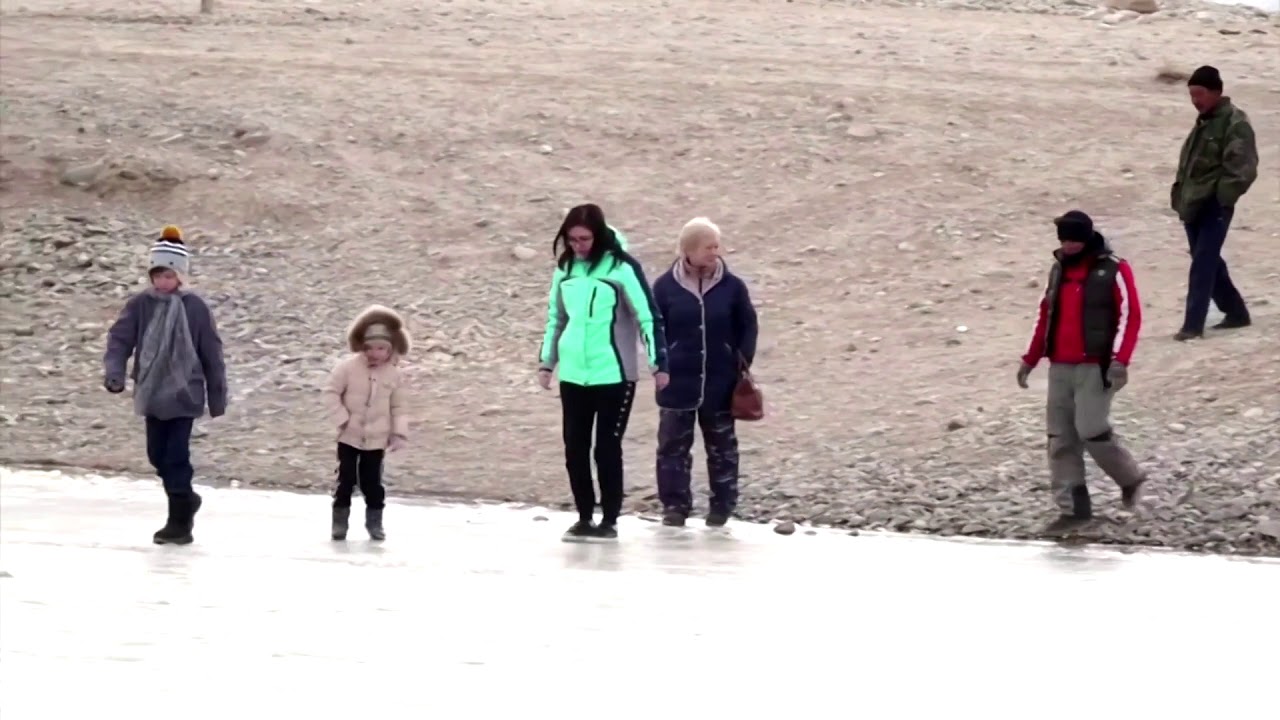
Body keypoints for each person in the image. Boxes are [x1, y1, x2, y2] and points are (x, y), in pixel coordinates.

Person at [537, 204, 668, 541]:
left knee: (606, 448)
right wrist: (546, 361)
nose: (578, 245)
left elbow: (647, 316)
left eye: (584, 238)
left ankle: (609, 520)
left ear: (598, 235)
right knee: (574, 447)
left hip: (614, 373)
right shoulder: (565, 269)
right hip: (574, 374)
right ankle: (583, 516)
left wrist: (658, 363)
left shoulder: (622, 268)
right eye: (572, 239)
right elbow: (557, 318)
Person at [1018, 211, 1148, 534]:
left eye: (1074, 239)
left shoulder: (1114, 268)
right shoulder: (1058, 269)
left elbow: (1130, 315)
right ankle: (1073, 511)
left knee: (1091, 429)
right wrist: (1031, 358)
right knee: (1060, 437)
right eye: (1064, 240)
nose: (1069, 245)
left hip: (1096, 365)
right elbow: (1045, 315)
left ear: (1087, 237)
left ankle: (1130, 477)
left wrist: (1120, 360)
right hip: (1059, 365)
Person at [103, 225, 228, 545]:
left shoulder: (195, 308)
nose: (162, 281)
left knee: (175, 456)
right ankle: (186, 498)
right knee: (156, 455)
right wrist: (115, 372)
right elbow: (120, 339)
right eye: (157, 274)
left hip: (185, 392)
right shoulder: (140, 304)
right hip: (151, 390)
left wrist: (217, 396)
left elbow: (211, 351)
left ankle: (179, 522)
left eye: (169, 275)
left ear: (181, 276)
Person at [651, 217, 758, 528]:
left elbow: (747, 326)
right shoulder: (665, 286)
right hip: (676, 382)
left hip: (720, 381)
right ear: (690, 249)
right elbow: (653, 328)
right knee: (672, 448)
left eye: (716, 245)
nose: (715, 252)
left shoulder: (733, 286)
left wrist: (740, 362)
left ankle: (722, 507)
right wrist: (660, 362)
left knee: (722, 448)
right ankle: (674, 507)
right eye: (708, 246)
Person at [1170, 65, 1259, 341]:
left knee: (1203, 264)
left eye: (1199, 94)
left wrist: (1222, 199)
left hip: (1214, 205)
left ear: (1216, 92)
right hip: (1192, 204)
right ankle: (1236, 313)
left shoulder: (1235, 122)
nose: (1195, 100)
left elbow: (1243, 168)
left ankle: (1193, 325)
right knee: (1206, 259)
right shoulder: (1205, 122)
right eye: (1192, 95)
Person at [322, 305, 411, 542]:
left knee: (373, 483)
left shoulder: (394, 375)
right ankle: (339, 523)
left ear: (390, 348)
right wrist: (342, 419)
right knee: (346, 480)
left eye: (381, 348)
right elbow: (330, 393)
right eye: (369, 347)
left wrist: (398, 433)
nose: (374, 353)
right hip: (349, 437)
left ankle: (375, 523)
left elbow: (399, 407)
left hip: (376, 440)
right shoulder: (347, 368)